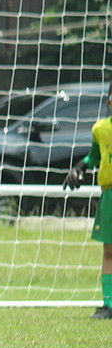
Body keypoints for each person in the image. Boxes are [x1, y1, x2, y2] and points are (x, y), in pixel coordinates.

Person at [63, 83, 112, 319]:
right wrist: (80, 168)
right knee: (109, 250)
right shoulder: (100, 129)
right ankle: (108, 304)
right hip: (110, 194)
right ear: (109, 101)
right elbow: (94, 156)